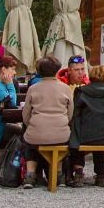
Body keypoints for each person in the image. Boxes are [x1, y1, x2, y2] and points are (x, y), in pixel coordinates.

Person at [22, 55, 74, 187]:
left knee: (30, 143)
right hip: (61, 134)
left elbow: (26, 115)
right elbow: (70, 114)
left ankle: (30, 175)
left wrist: (32, 126)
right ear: (57, 70)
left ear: (39, 71)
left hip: (36, 133)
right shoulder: (66, 88)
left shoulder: (33, 89)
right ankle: (58, 174)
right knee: (60, 145)